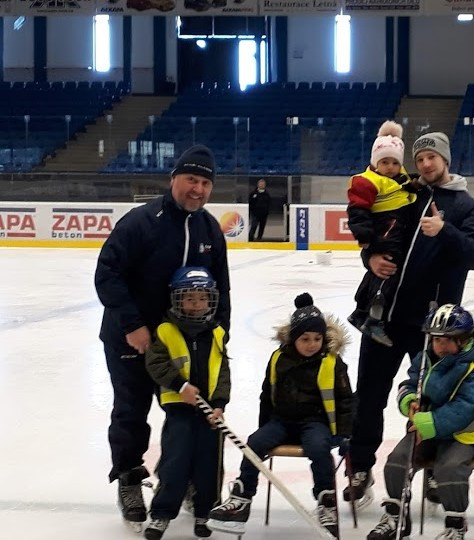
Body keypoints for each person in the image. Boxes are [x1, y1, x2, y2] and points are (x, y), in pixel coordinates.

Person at [344, 131, 474, 507]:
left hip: (434, 328)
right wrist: (370, 258)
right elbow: (377, 229)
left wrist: (446, 231)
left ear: (446, 160)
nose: (425, 164)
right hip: (385, 317)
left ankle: (434, 469)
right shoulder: (404, 192)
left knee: (433, 400)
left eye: (432, 157)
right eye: (420, 158)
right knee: (369, 398)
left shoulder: (466, 207)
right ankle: (360, 468)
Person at [94, 144, 231, 530]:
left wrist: (221, 335)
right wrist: (132, 325)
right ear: (174, 178)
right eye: (191, 179)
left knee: (188, 415)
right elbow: (107, 274)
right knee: (130, 412)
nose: (198, 189)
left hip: (184, 344)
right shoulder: (141, 221)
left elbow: (222, 287)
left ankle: (183, 479)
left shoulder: (209, 229)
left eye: (205, 183)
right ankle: (129, 477)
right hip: (130, 339)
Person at [207, 293, 353, 538]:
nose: (312, 344)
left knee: (319, 449)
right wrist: (264, 428)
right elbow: (267, 394)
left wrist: (346, 433)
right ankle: (241, 498)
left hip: (316, 422)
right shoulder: (278, 358)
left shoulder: (331, 362)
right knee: (254, 443)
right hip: (282, 421)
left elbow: (346, 400)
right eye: (305, 339)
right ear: (293, 338)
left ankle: (326, 500)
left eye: (317, 339)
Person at [367, 304, 474, 540]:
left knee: (449, 468)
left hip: (462, 437)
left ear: (464, 340)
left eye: (448, 340)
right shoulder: (424, 360)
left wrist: (428, 422)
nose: (441, 346)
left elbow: (463, 409)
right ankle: (396, 516)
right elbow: (409, 384)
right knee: (396, 461)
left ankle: (455, 525)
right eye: (436, 340)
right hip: (426, 432)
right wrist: (409, 400)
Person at [142, 267, 231, 540]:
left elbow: (223, 372)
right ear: (177, 300)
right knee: (175, 462)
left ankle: (206, 511)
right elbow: (156, 363)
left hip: (209, 414)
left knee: (209, 464)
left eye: (202, 298)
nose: (196, 304)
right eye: (189, 298)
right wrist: (180, 386)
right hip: (179, 411)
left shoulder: (216, 332)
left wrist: (219, 404)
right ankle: (161, 513)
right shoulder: (166, 330)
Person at [346, 120, 420, 346]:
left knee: (380, 274)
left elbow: (406, 186)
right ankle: (373, 319)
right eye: (385, 162)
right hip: (385, 234)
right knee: (387, 273)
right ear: (375, 162)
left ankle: (361, 311)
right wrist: (364, 236)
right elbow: (358, 211)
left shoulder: (399, 178)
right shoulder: (367, 182)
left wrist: (415, 185)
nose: (390, 167)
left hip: (395, 232)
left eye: (395, 162)